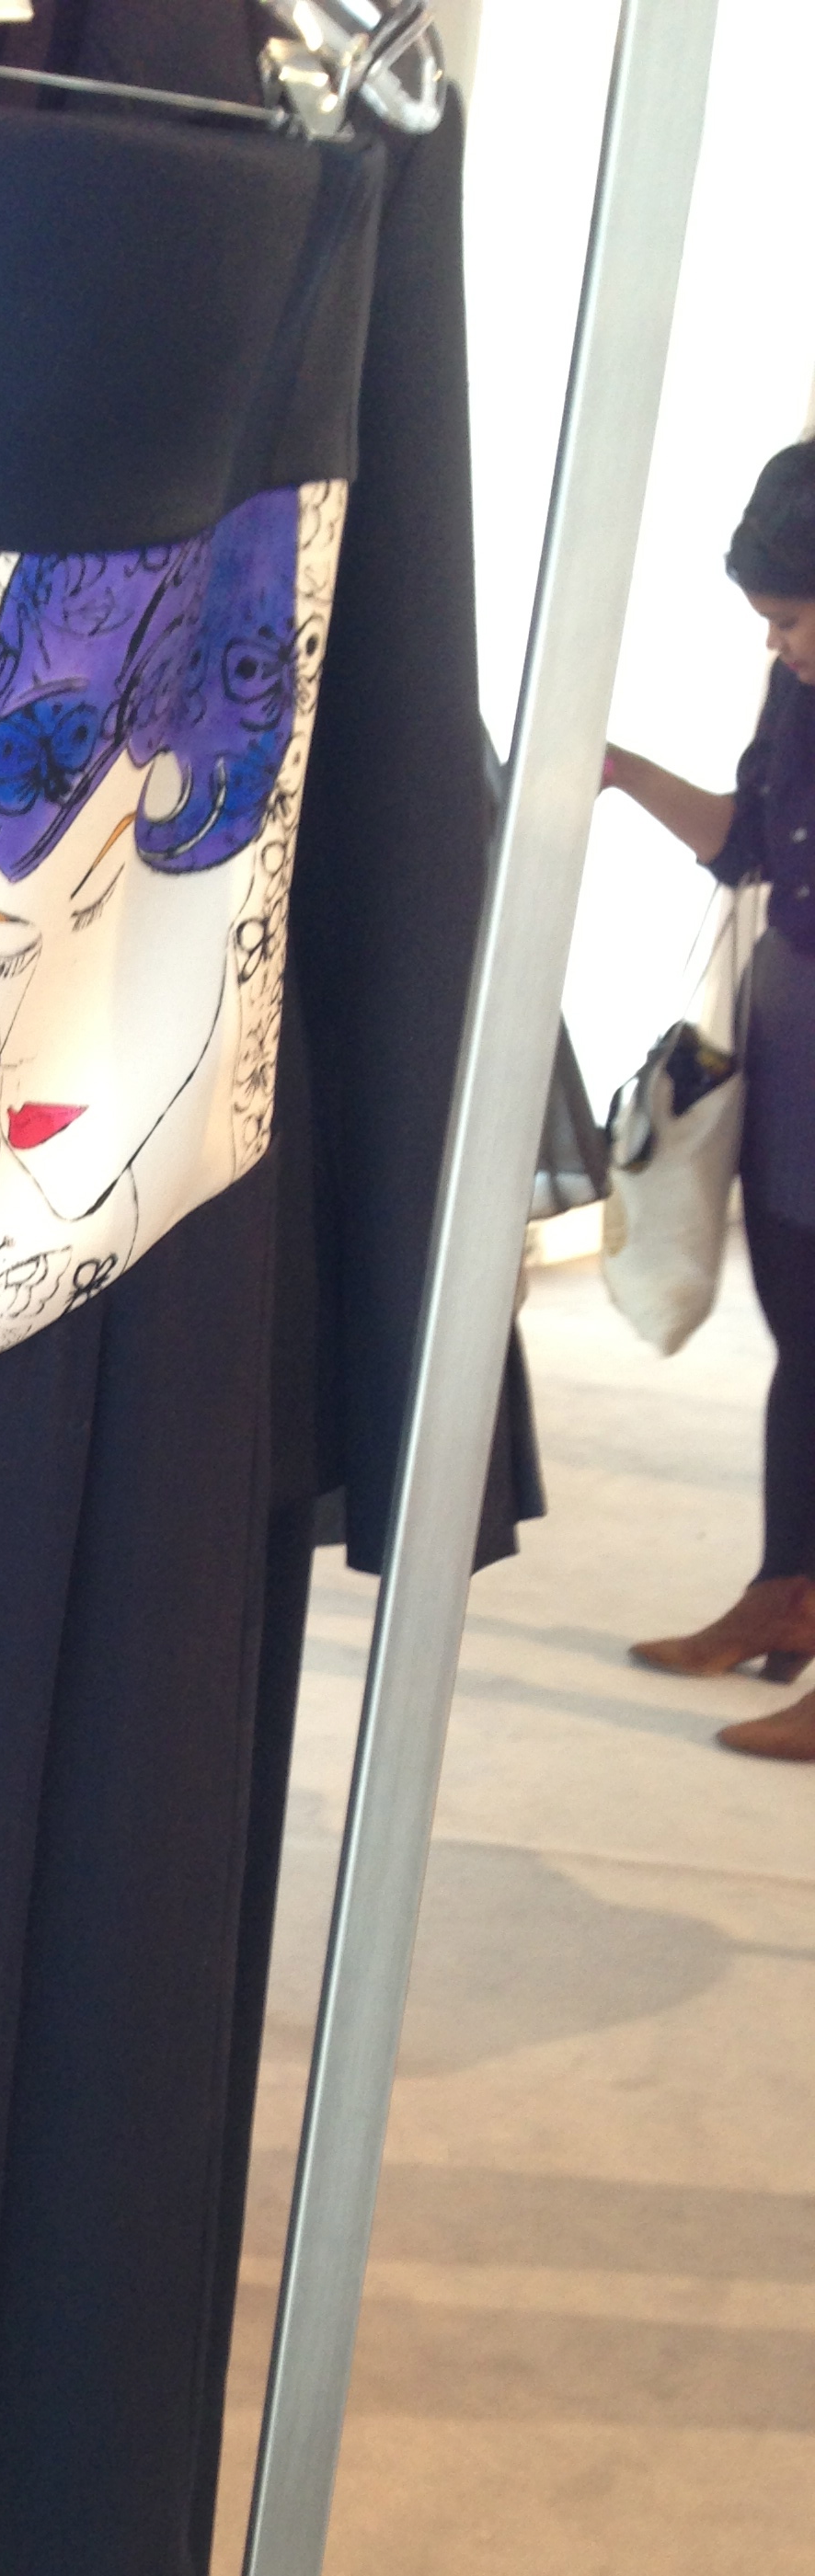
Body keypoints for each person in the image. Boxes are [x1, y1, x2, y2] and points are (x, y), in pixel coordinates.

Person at [604, 436, 815, 1761]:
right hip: (797, 1027)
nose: (775, 645)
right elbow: (748, 847)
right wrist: (620, 772)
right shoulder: (796, 692)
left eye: (790, 618)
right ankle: (784, 1594)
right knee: (803, 1336)